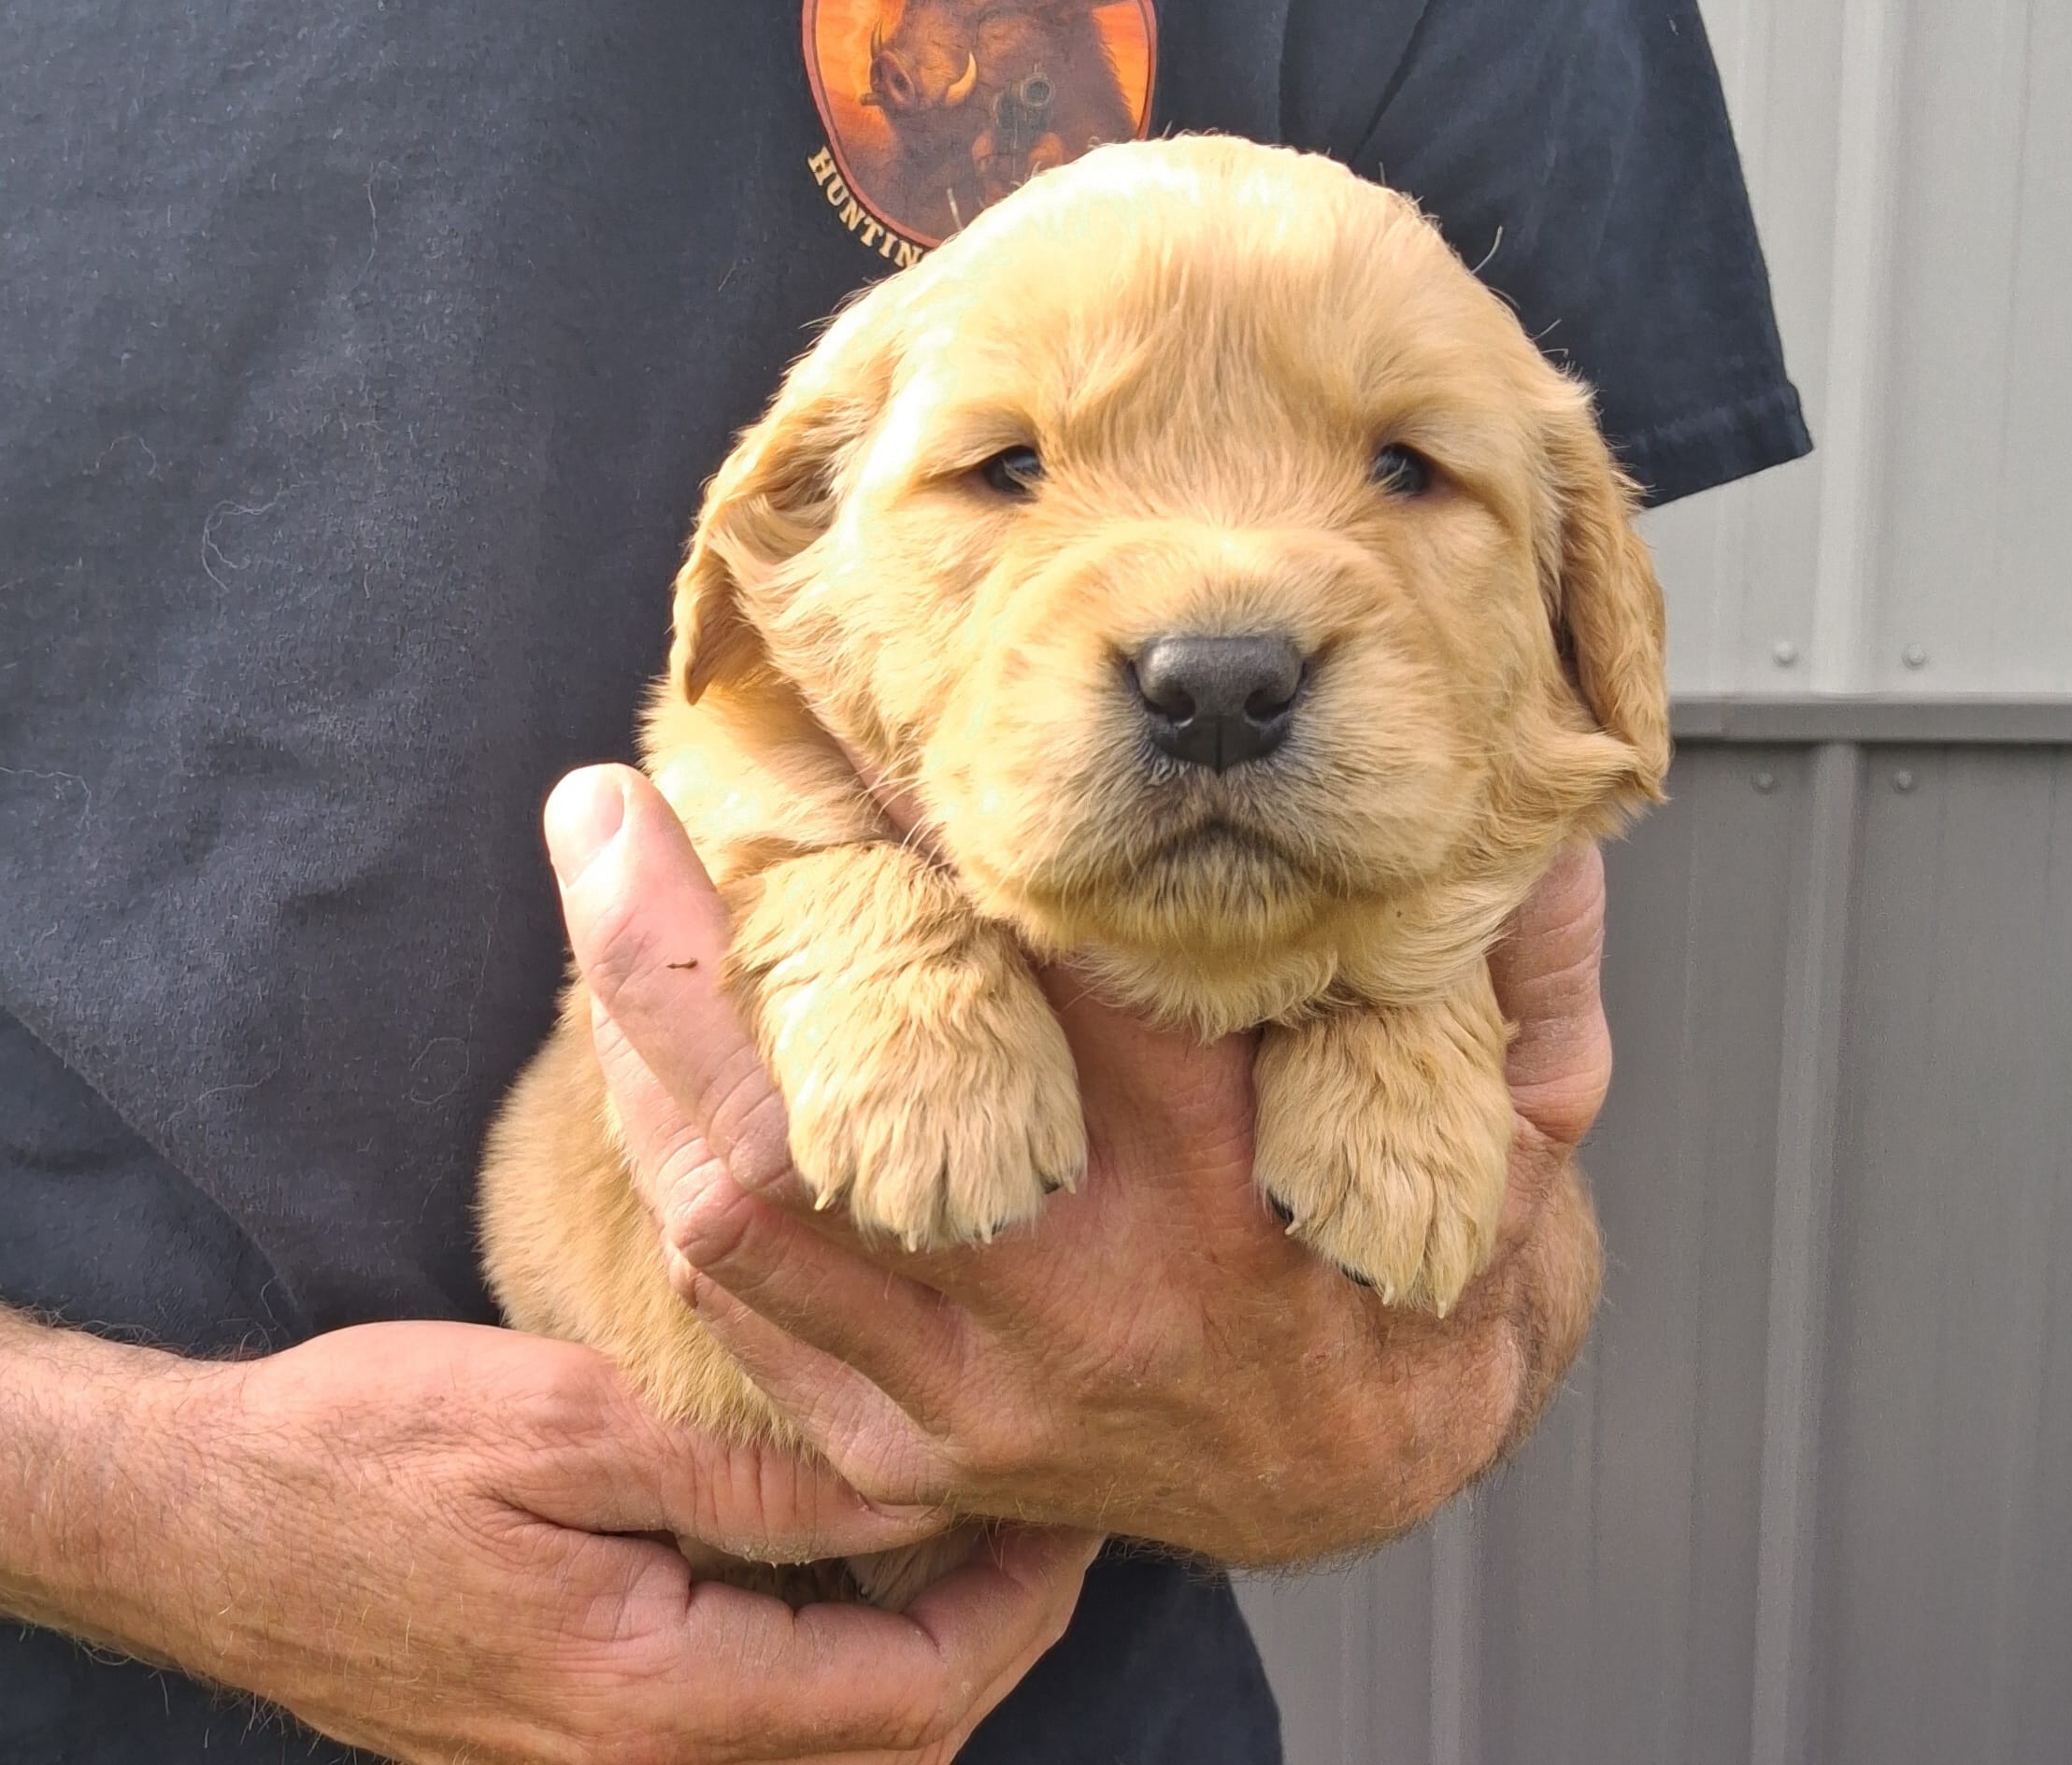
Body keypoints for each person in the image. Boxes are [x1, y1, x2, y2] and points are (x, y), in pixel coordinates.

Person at [0, 2, 1810, 1760]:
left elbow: (1507, 789)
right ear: (757, 550)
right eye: (1008, 466)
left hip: (1038, 1697)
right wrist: (122, 1500)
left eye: (1399, 467)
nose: (1214, 640)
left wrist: (1426, 1308)